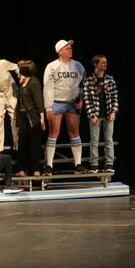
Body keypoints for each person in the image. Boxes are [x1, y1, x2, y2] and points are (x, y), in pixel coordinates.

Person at [43, 39, 87, 175]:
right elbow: (48, 88)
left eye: (70, 48)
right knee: (53, 133)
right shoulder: (52, 67)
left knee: (74, 131)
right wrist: (48, 107)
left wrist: (81, 99)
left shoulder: (78, 66)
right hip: (57, 103)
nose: (70, 50)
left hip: (72, 104)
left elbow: (82, 84)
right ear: (60, 51)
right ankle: (49, 165)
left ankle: (78, 164)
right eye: (67, 48)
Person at [83, 55, 119, 174]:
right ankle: (94, 165)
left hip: (108, 113)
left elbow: (115, 97)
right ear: (96, 64)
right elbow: (86, 99)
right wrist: (92, 115)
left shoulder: (110, 79)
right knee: (94, 140)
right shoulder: (89, 80)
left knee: (109, 140)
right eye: (103, 63)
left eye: (106, 62)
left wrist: (113, 112)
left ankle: (109, 163)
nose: (105, 64)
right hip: (96, 115)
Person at [16, 60, 45, 177]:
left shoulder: (34, 82)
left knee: (35, 143)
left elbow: (39, 101)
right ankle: (22, 169)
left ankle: (36, 169)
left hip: (32, 117)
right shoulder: (23, 82)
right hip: (22, 117)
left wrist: (42, 118)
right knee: (22, 143)